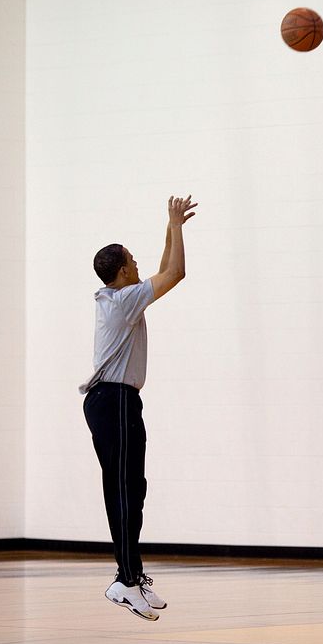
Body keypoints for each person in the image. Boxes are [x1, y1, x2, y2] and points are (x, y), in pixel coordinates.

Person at [79, 195, 198, 621]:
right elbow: (176, 273)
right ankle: (125, 582)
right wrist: (176, 228)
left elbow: (164, 271)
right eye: (132, 259)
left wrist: (171, 226)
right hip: (114, 400)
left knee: (132, 489)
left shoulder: (119, 299)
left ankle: (129, 576)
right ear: (122, 271)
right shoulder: (123, 300)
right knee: (126, 491)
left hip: (113, 401)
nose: (137, 263)